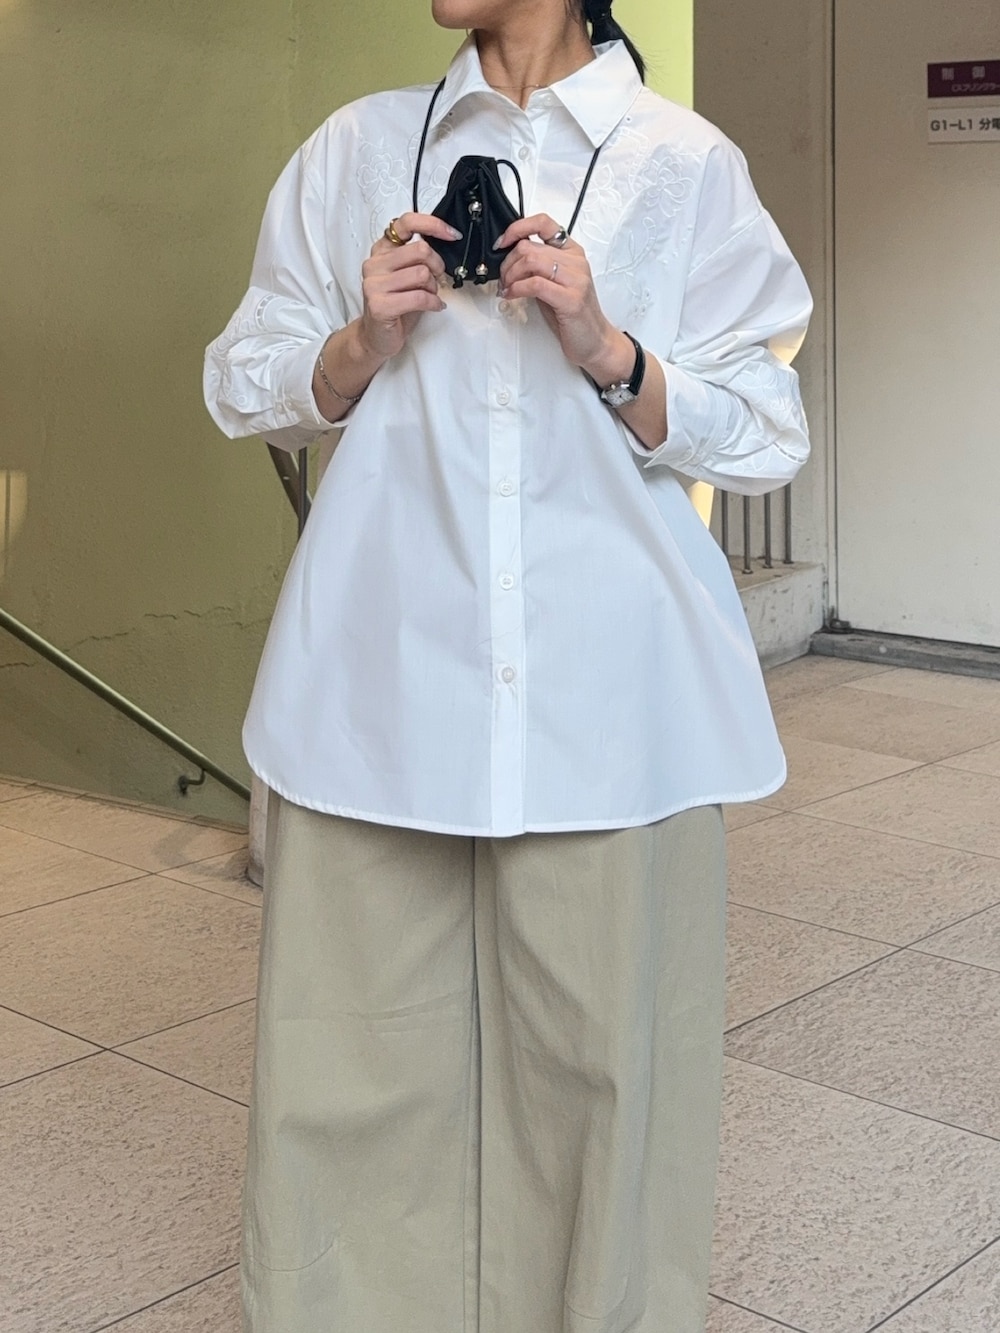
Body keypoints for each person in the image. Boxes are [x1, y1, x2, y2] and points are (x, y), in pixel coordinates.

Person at [204, 1, 812, 1329]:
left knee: (605, 1075)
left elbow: (770, 432)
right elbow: (241, 380)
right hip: (376, 690)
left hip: (614, 702)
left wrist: (611, 351)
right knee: (344, 1070)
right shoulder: (358, 149)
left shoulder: (683, 166)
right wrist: (358, 344)